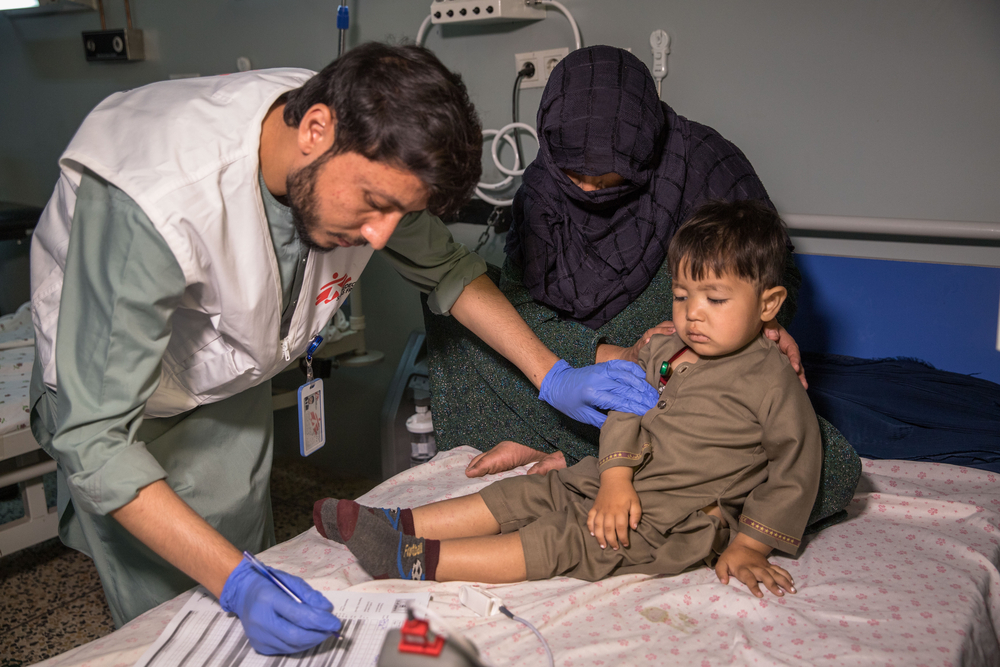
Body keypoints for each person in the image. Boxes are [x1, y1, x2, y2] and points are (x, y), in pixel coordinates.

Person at [28, 43, 657, 655]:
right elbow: (97, 440)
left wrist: (553, 375)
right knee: (177, 609)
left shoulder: (371, 138)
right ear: (316, 132)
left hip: (226, 375)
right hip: (118, 405)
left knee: (253, 557)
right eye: (375, 206)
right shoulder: (157, 202)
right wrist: (236, 583)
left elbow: (447, 270)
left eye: (397, 213)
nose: (381, 236)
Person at [423, 45, 859, 529]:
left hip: (672, 367)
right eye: (574, 172)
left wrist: (760, 326)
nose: (588, 188)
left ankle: (578, 448)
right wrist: (609, 355)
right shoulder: (542, 189)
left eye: (605, 172)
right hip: (579, 356)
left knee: (833, 468)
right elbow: (527, 312)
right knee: (460, 320)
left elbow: (774, 279)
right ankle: (593, 445)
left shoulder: (705, 166)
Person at [315, 200, 822, 597]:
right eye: (683, 295)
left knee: (566, 538)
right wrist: (616, 477)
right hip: (611, 479)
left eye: (715, 299)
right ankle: (396, 522)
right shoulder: (668, 345)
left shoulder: (771, 380)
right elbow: (627, 407)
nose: (693, 314)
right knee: (530, 494)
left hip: (674, 519)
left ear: (769, 304)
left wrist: (751, 544)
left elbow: (796, 468)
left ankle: (418, 560)